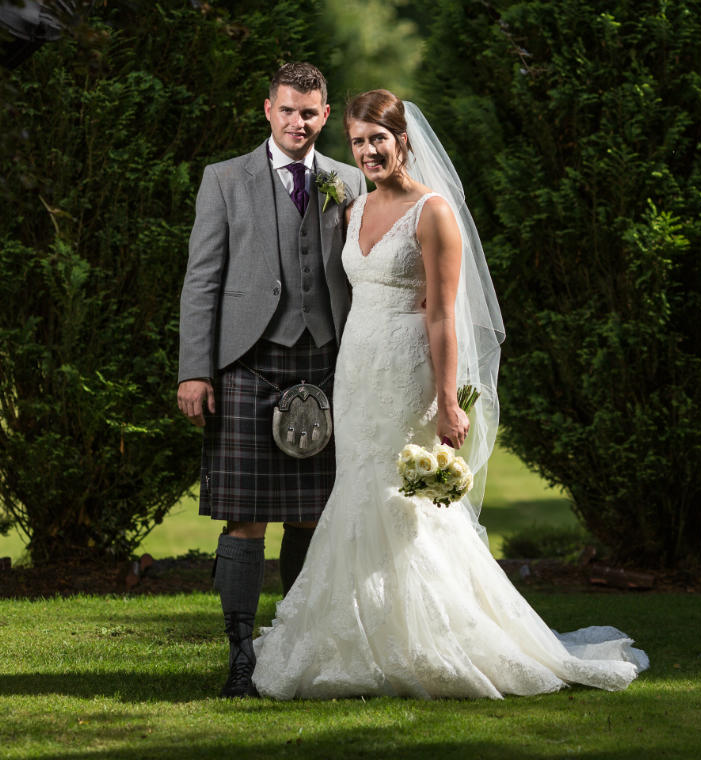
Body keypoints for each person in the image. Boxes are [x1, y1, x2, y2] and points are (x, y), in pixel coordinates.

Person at [251, 89, 648, 699]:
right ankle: (353, 638)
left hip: (408, 372)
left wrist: (448, 400)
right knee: (356, 490)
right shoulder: (355, 208)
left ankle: (434, 639)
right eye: (357, 142)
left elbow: (441, 314)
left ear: (402, 139)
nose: (367, 152)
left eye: (377, 139)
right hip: (358, 371)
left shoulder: (433, 212)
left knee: (404, 502)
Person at [176, 62, 366, 698]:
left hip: (327, 365)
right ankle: (239, 654)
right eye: (287, 110)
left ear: (324, 113)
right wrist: (195, 371)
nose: (298, 122)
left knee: (314, 517)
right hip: (248, 367)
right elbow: (202, 280)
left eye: (310, 113)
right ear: (267, 110)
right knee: (244, 518)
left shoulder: (348, 180)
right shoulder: (225, 179)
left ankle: (294, 646)